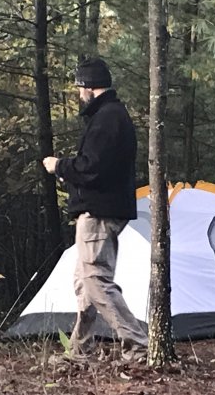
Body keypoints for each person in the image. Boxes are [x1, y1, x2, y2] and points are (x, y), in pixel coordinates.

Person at [42, 57, 149, 361]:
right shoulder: (111, 116)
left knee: (95, 279)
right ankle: (81, 349)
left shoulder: (107, 119)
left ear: (89, 87)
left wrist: (59, 166)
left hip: (99, 211)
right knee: (84, 280)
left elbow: (92, 168)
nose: (78, 95)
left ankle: (137, 344)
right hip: (103, 208)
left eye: (79, 88)